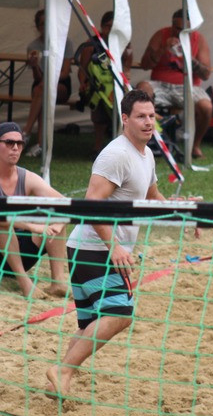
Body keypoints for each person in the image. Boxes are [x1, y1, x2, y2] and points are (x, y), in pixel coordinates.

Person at [46, 90, 168, 396]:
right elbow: (91, 204)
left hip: (98, 250)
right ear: (125, 119)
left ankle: (60, 378)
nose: (148, 122)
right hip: (95, 249)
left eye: (151, 116)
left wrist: (187, 213)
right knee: (119, 315)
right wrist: (114, 246)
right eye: (141, 116)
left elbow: (153, 198)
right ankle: (62, 370)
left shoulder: (146, 153)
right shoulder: (116, 154)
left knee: (90, 324)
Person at [0, 122, 70, 299]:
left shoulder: (27, 177)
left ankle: (58, 282)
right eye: (9, 143)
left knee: (56, 217)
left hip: (18, 252)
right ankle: (25, 284)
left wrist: (58, 221)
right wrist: (33, 226)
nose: (15, 148)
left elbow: (64, 203)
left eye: (19, 144)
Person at [136, 9, 213, 158]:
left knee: (207, 107)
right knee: (142, 88)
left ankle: (195, 146)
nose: (180, 33)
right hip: (161, 84)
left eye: (185, 30)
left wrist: (190, 59)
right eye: (177, 29)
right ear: (172, 25)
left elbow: (206, 74)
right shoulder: (162, 35)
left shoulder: (199, 39)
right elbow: (145, 64)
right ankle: (147, 138)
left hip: (187, 86)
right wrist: (163, 49)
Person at [23, 9, 76, 158]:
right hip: (41, 83)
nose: (45, 27)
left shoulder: (66, 42)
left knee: (43, 90)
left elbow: (65, 72)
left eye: (49, 23)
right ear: (37, 27)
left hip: (61, 84)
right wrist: (34, 65)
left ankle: (26, 132)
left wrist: (47, 80)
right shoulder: (33, 46)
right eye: (42, 24)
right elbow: (37, 77)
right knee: (42, 92)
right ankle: (40, 144)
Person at [76, 11, 131, 155]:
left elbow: (127, 69)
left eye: (114, 27)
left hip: (117, 85)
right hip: (97, 86)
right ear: (101, 26)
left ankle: (124, 142)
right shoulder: (91, 44)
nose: (110, 30)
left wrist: (125, 83)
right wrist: (83, 83)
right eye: (108, 26)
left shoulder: (124, 44)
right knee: (98, 98)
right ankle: (98, 146)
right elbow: (82, 69)